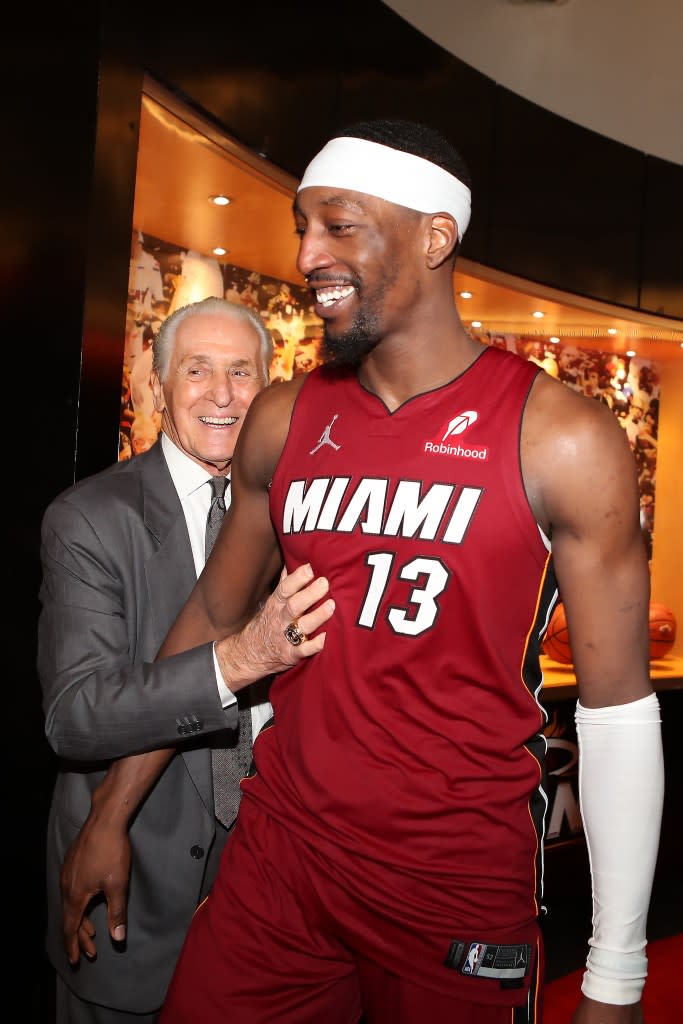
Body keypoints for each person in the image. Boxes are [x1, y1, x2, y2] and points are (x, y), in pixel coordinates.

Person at [62, 120, 664, 1024]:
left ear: (434, 236)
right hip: (282, 860)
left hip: (450, 882)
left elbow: (618, 712)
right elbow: (211, 616)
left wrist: (617, 974)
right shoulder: (283, 417)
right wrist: (112, 812)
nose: (306, 253)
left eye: (337, 226)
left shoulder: (561, 437)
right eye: (302, 225)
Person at [38, 297, 280, 1023]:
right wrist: (233, 661)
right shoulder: (91, 518)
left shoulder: (298, 519)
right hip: (128, 897)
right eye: (197, 370)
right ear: (157, 387)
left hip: (270, 905)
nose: (221, 393)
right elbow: (75, 716)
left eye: (241, 372)